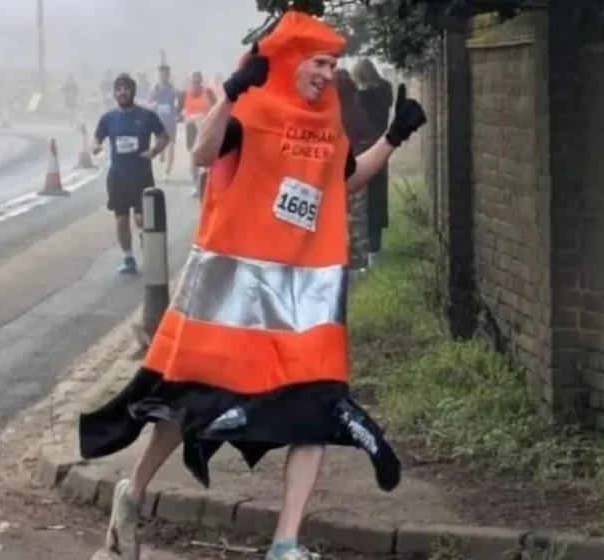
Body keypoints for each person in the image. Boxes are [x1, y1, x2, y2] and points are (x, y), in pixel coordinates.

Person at [78, 10, 427, 560]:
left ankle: (285, 543)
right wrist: (230, 94)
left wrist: (393, 137)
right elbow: (201, 153)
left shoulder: (326, 124)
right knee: (186, 405)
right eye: (318, 63)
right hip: (233, 296)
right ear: (291, 61)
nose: (326, 74)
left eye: (332, 65)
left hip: (302, 300)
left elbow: (345, 182)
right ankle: (134, 492)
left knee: (317, 410)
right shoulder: (252, 110)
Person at [92, 73, 169, 275]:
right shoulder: (108, 118)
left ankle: (145, 238)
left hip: (142, 175)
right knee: (121, 219)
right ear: (114, 93)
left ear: (133, 91)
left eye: (126, 89)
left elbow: (163, 137)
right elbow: (97, 138)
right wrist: (96, 146)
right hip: (118, 177)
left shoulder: (147, 116)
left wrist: (154, 151)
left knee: (142, 218)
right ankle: (128, 258)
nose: (122, 92)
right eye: (118, 89)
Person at [352, 59, 394, 268]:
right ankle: (375, 248)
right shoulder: (385, 91)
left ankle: (364, 251)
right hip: (381, 148)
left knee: (361, 203)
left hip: (361, 153)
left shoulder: (359, 98)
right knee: (378, 198)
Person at [335, 69, 375, 271]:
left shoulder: (328, 112)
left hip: (331, 173)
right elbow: (370, 135)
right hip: (355, 169)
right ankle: (359, 263)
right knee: (357, 219)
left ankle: (338, 260)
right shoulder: (356, 109)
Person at [178, 71, 217, 196]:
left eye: (199, 82)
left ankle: (209, 185)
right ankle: (196, 186)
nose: (196, 85)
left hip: (206, 128)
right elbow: (178, 113)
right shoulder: (184, 94)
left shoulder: (208, 92)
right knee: (193, 158)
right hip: (191, 129)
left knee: (207, 158)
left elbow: (217, 109)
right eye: (194, 82)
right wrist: (187, 116)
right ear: (190, 82)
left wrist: (206, 117)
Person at [147, 64, 180, 182]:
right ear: (158, 75)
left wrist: (177, 112)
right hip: (158, 122)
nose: (163, 76)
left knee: (171, 145)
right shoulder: (154, 89)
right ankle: (161, 152)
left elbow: (178, 104)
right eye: (161, 74)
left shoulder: (173, 90)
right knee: (160, 146)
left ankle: (167, 171)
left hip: (171, 122)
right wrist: (152, 105)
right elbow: (149, 103)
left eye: (165, 74)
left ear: (168, 75)